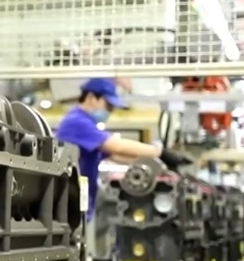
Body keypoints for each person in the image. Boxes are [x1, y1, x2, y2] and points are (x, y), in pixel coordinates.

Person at [54, 78, 191, 220]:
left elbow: (117, 156)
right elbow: (116, 146)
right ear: (91, 97)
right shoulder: (76, 122)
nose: (110, 111)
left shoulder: (87, 124)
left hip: (78, 201)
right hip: (68, 203)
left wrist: (156, 163)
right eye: (108, 106)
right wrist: (159, 152)